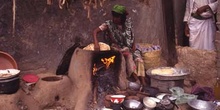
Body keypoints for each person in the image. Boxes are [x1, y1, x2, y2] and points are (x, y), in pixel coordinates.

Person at [93, 4, 147, 87]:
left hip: (129, 47)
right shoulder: (109, 24)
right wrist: (96, 43)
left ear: (122, 17)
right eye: (114, 16)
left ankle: (143, 82)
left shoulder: (128, 23)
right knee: (127, 57)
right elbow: (95, 31)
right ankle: (135, 80)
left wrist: (134, 44)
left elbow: (132, 34)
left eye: (117, 17)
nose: (115, 19)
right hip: (117, 48)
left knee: (139, 60)